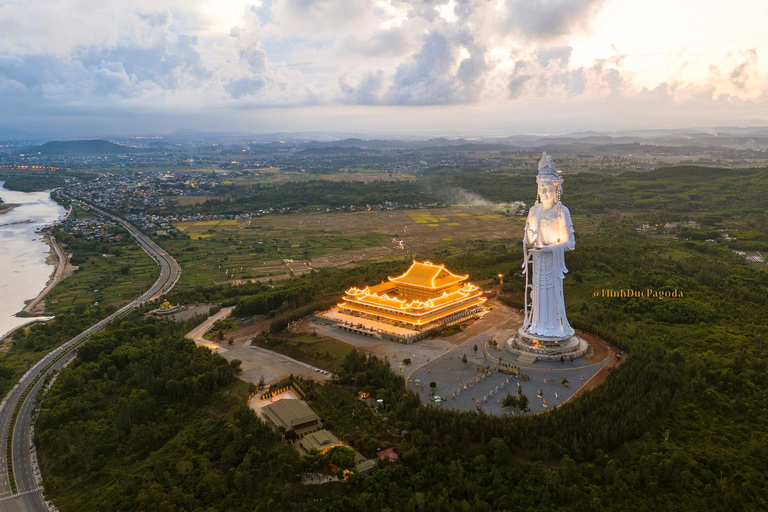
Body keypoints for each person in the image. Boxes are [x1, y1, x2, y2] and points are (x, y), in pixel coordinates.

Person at [522, 152, 576, 339]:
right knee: (537, 294)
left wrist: (550, 248)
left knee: (552, 295)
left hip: (552, 262)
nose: (545, 192)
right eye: (542, 188)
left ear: (557, 189)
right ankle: (537, 324)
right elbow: (529, 239)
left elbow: (571, 243)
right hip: (538, 262)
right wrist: (529, 234)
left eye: (549, 188)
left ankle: (553, 327)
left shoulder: (562, 212)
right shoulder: (534, 211)